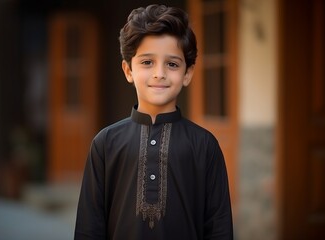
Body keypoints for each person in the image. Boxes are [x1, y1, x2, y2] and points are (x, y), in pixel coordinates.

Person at [74, 4, 233, 240]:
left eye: (172, 64)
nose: (159, 73)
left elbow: (219, 229)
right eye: (147, 62)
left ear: (187, 73)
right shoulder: (105, 143)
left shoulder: (205, 146)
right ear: (128, 70)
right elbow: (89, 227)